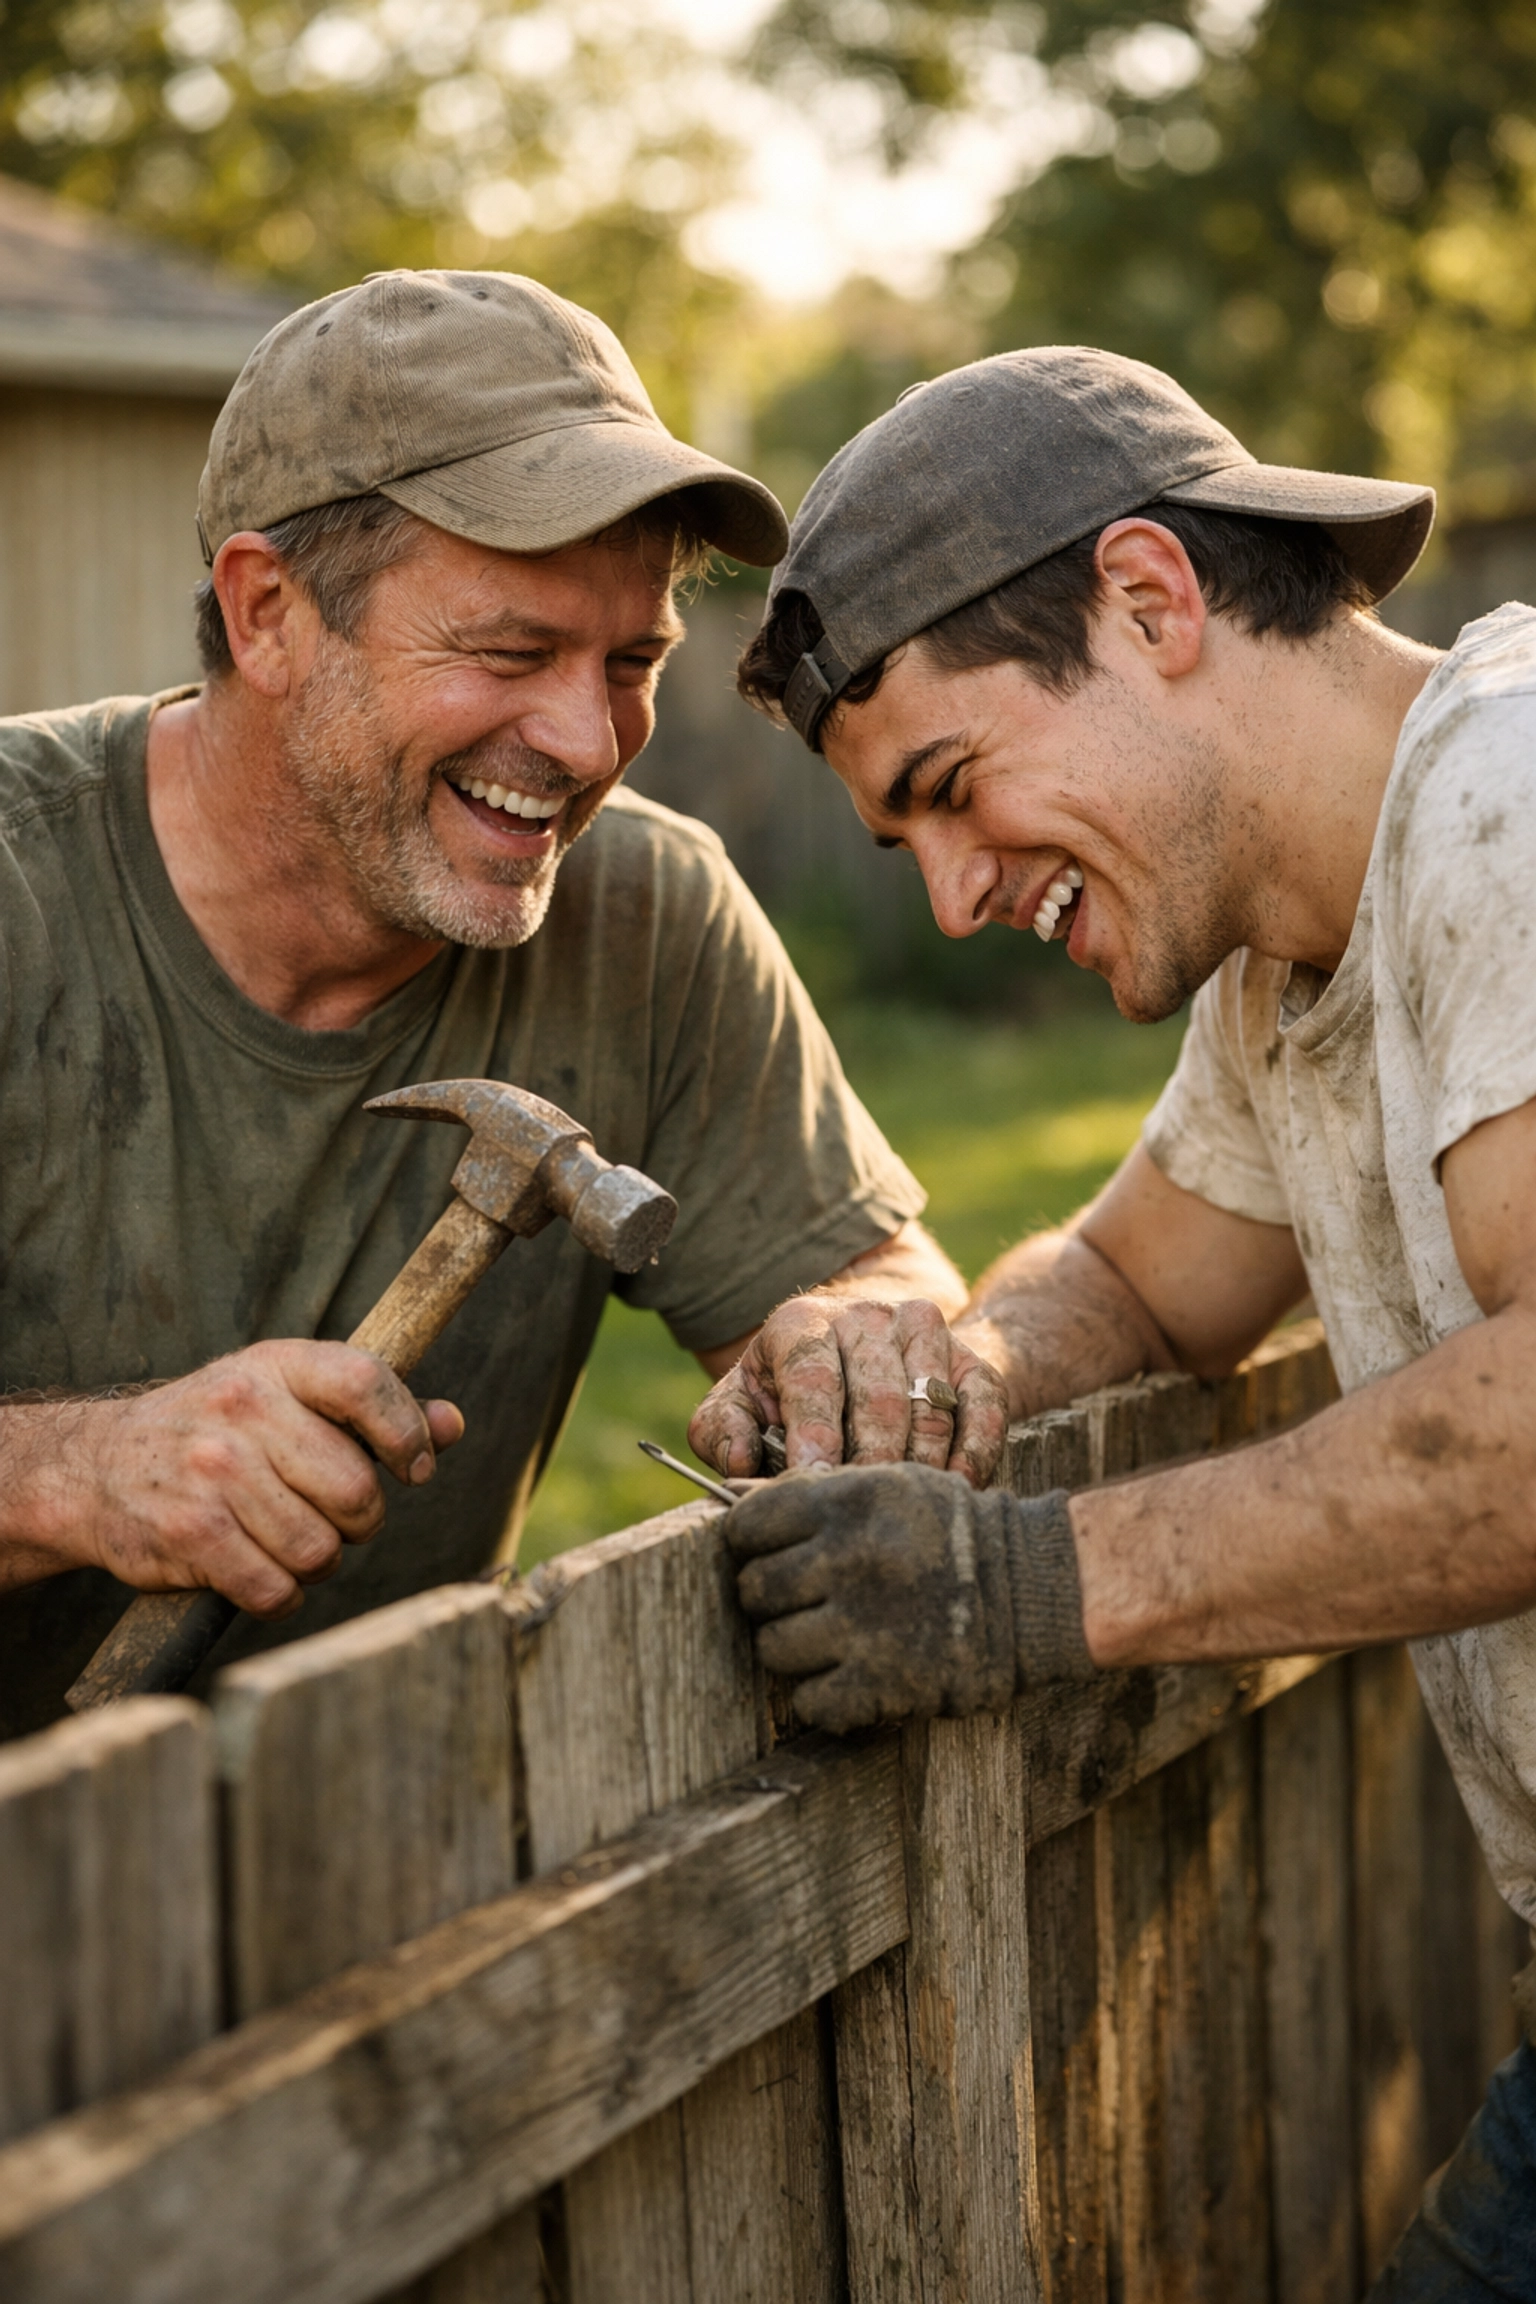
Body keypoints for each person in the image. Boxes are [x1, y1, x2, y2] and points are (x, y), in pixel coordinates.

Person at [711, 347, 1536, 2299]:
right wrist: (938, 1371)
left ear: (1151, 602)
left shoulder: (1509, 803)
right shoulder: (1285, 961)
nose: (949, 894)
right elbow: (1140, 1279)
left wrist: (1018, 1592)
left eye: (950, 789)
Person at [0, 269, 1008, 1741]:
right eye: (510, 653)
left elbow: (883, 1285)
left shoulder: (647, 917)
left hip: (382, 1868)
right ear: (267, 611)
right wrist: (69, 1476)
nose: (588, 740)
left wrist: (850, 1341)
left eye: (631, 662)